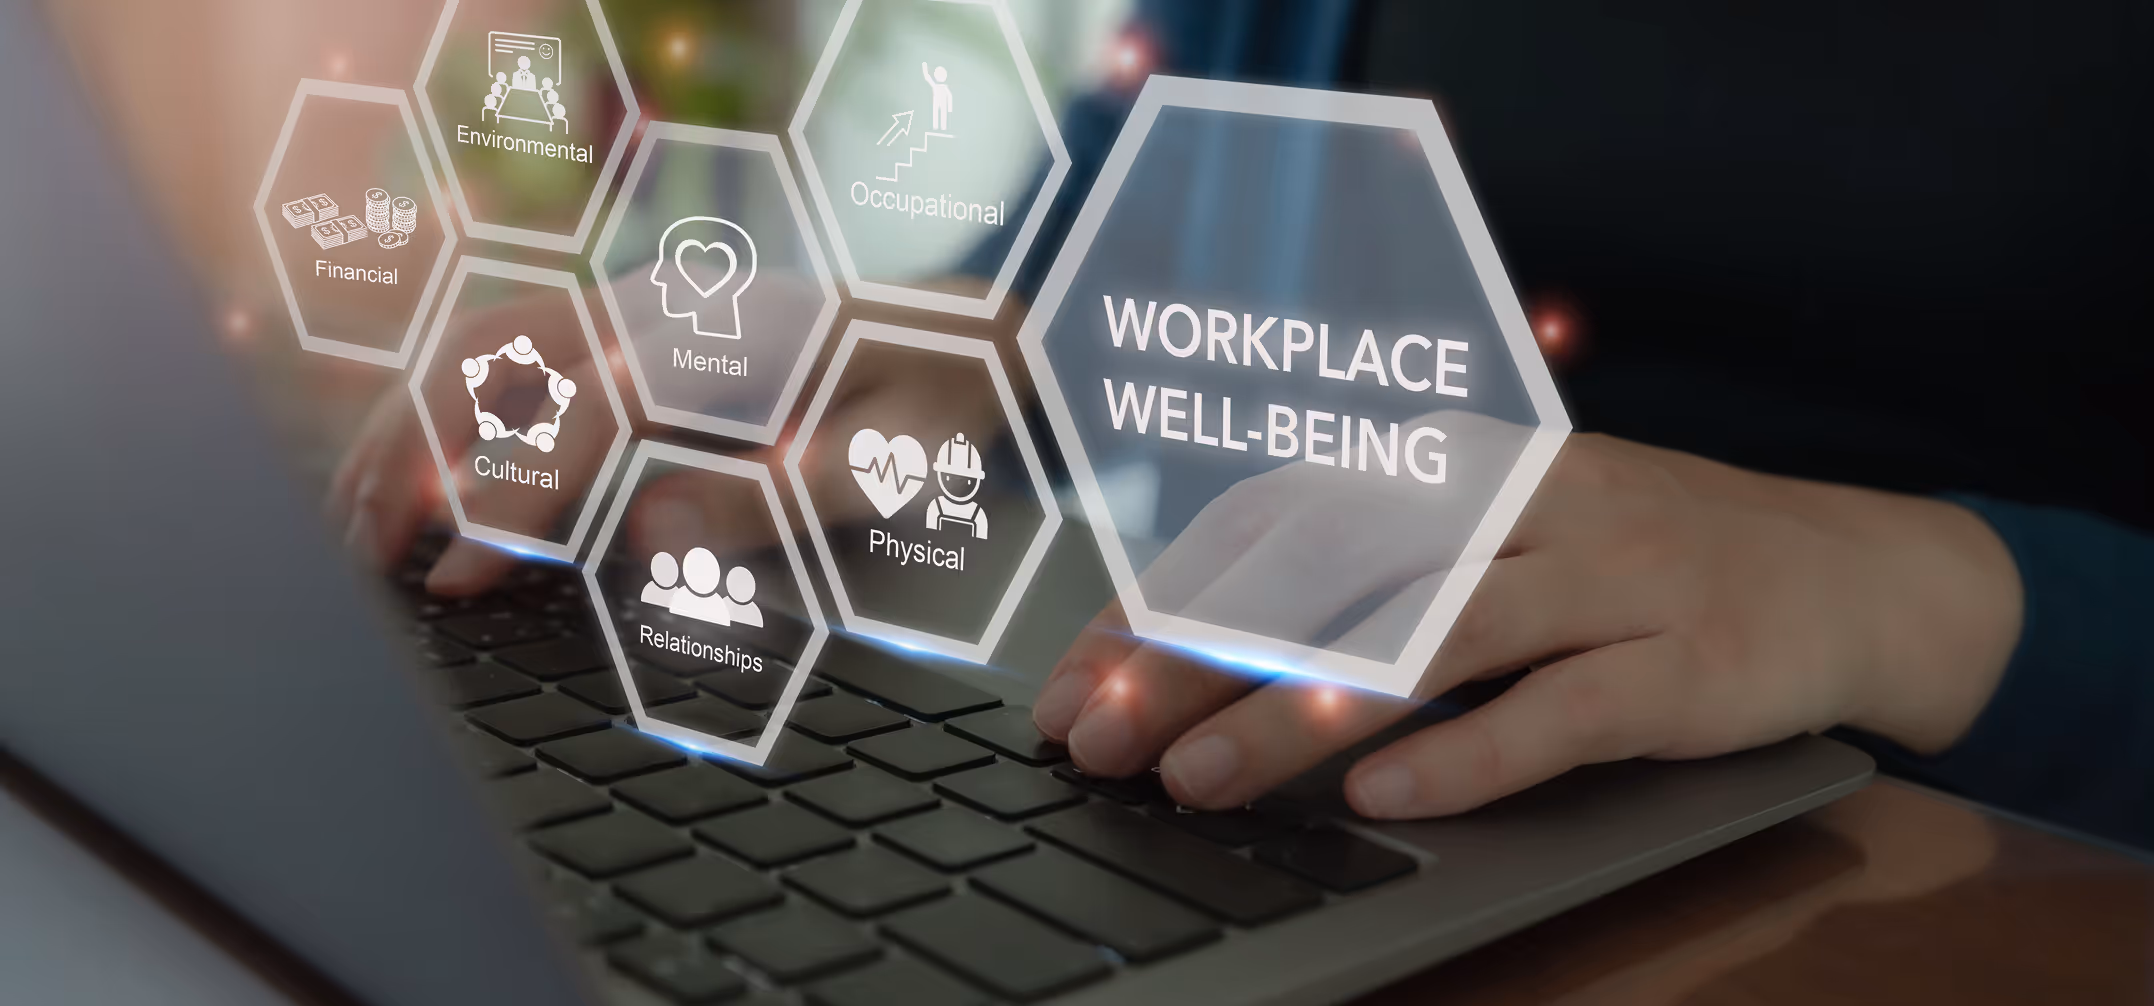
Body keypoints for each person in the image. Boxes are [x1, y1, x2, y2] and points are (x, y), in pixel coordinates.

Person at [921, 62, 952, 132]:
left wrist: (950, 108)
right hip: (936, 102)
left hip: (943, 103)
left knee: (943, 114)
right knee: (936, 113)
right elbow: (927, 77)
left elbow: (949, 96)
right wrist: (924, 69)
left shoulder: (945, 87)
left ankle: (943, 128)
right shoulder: (935, 86)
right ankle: (935, 127)